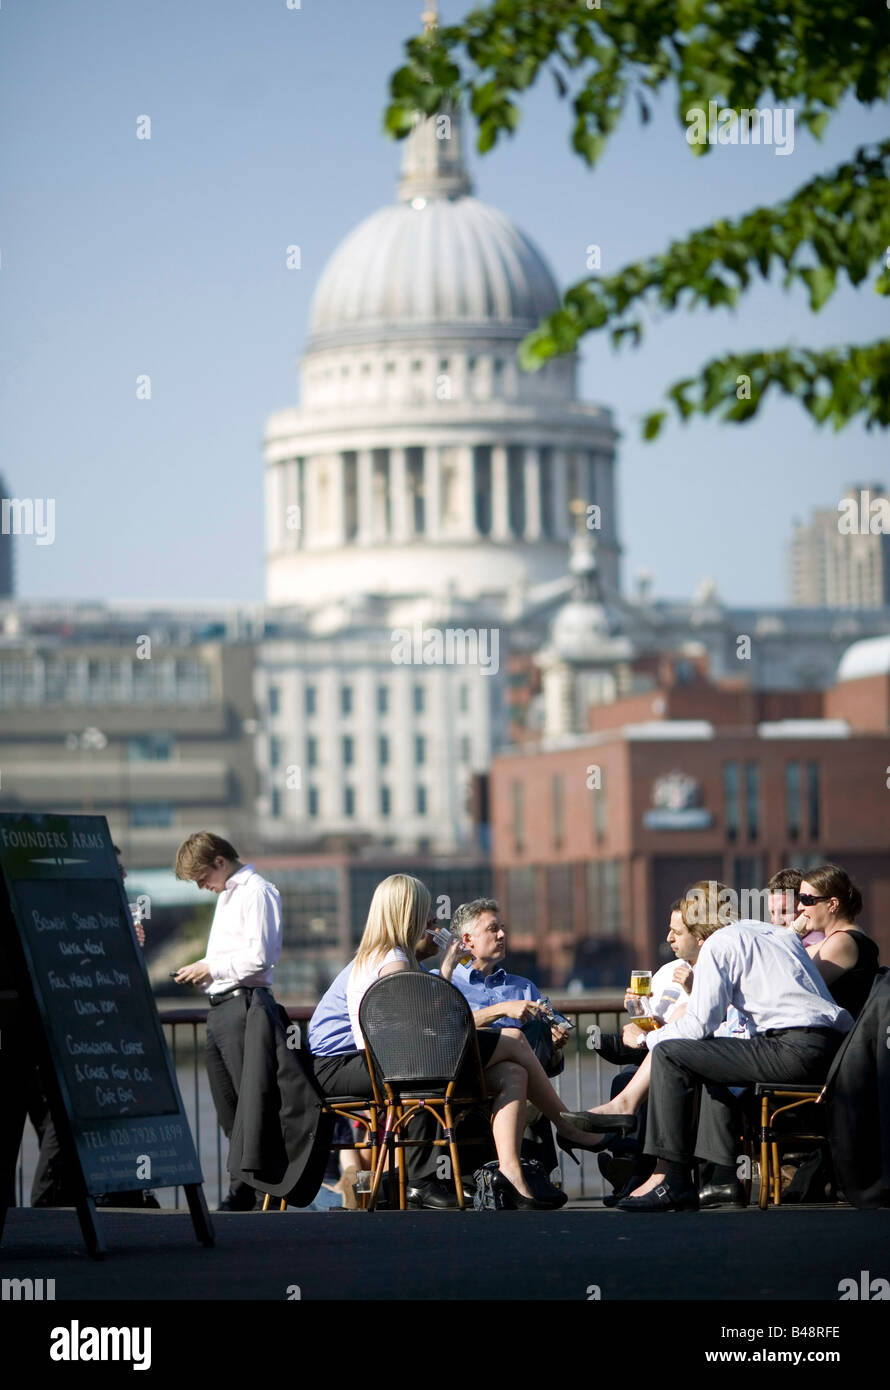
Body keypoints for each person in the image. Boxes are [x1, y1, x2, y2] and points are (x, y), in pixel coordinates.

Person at [308, 873, 615, 1210]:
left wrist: (446, 971)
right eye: (428, 917)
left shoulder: (399, 959)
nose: (435, 924)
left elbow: (423, 1031)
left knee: (514, 1073)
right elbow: (417, 1033)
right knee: (511, 1037)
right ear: (409, 916)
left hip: (387, 1060)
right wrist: (449, 971)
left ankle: (511, 1174)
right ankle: (569, 1126)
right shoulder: (391, 960)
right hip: (348, 1064)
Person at [578, 905, 853, 1212]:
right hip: (831, 1049)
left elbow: (698, 1026)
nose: (671, 939)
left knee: (671, 1053)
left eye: (680, 932)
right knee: (705, 1060)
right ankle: (723, 1179)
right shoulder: (775, 934)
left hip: (791, 1048)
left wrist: (645, 1038)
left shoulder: (718, 945)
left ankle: (674, 1180)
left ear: (701, 935)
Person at [174, 832, 282, 1212]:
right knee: (228, 1108)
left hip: (243, 1006)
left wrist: (209, 967)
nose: (202, 886)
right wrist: (207, 973)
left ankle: (254, 1193)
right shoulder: (230, 895)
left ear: (220, 861)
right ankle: (244, 1190)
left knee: (248, 1105)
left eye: (202, 876)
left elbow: (261, 957)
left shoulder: (256, 892)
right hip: (223, 1007)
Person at [796, 864, 879, 1019]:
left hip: (839, 1041)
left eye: (806, 900)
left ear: (832, 904)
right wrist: (795, 931)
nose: (800, 907)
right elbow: (789, 953)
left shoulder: (842, 942)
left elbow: (798, 988)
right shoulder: (840, 939)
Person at [767, 866, 824, 947]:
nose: (776, 920)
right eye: (772, 912)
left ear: (804, 908)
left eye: (784, 912)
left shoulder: (818, 945)